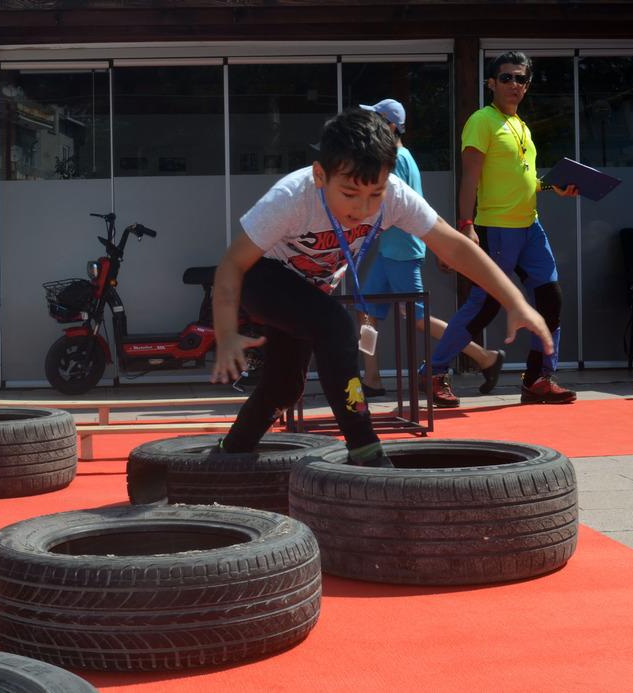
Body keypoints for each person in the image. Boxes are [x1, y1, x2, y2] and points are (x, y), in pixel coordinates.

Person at [211, 107, 554, 468]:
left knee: (285, 387)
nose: (362, 208)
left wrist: (514, 300)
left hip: (312, 291)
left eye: (375, 194)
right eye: (349, 194)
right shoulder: (291, 197)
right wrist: (226, 333)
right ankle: (365, 448)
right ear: (319, 175)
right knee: (337, 326)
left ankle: (229, 455)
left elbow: (453, 245)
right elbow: (232, 264)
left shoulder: (394, 195)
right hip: (263, 276)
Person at [426, 51, 580, 408]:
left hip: (530, 227)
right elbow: (470, 179)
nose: (514, 84)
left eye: (521, 79)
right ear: (491, 83)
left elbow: (522, 179)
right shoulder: (482, 120)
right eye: (507, 77)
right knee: (485, 306)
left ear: (527, 86)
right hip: (495, 228)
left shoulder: (521, 126)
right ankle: (433, 372)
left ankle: (537, 379)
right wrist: (466, 225)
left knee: (551, 300)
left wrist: (549, 187)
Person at [352, 99, 505, 399]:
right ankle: (371, 378)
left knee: (418, 319)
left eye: (375, 120)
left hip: (403, 251)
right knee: (365, 312)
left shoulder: (398, 159)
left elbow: (403, 208)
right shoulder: (397, 155)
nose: (369, 125)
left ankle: (486, 357)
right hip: (389, 250)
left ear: (390, 126)